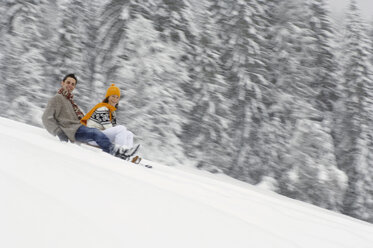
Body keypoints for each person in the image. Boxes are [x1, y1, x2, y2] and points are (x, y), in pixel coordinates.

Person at [42, 74, 138, 159]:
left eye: (73, 84)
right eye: (68, 82)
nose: (70, 86)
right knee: (95, 132)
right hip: (72, 130)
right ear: (62, 83)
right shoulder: (57, 98)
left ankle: (126, 153)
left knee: (128, 133)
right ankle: (115, 151)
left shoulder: (70, 101)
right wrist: (59, 132)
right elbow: (46, 118)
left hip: (79, 128)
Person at [80, 84, 141, 163]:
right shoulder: (103, 108)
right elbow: (109, 129)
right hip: (93, 137)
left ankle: (129, 155)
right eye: (113, 96)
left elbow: (111, 131)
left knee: (129, 134)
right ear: (108, 97)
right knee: (121, 129)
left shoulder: (111, 112)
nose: (115, 99)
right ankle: (121, 152)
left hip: (100, 135)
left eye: (117, 97)